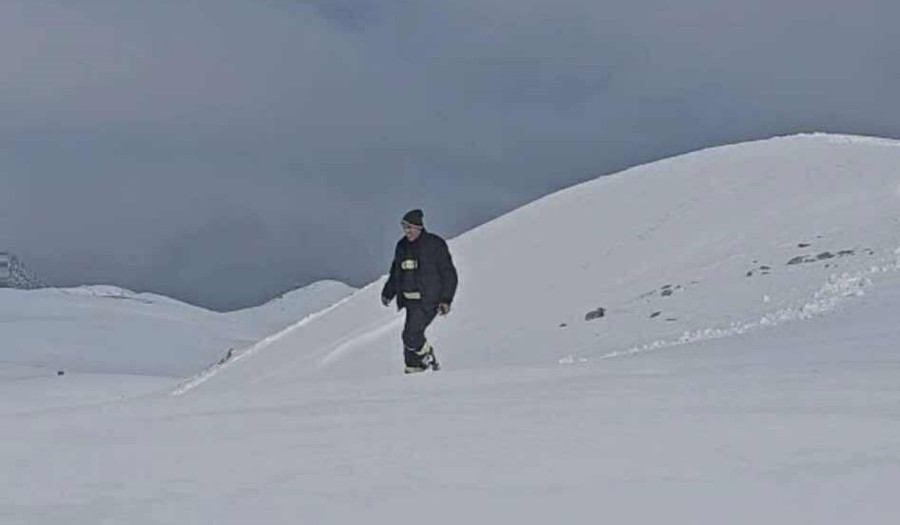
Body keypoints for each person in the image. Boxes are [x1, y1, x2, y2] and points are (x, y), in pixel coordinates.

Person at [381, 209, 458, 373]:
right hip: (410, 301)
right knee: (409, 340)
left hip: (429, 300)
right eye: (404, 227)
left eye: (410, 227)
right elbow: (396, 272)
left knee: (410, 335)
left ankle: (427, 355)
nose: (407, 231)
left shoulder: (435, 244)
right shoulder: (401, 246)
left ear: (419, 227)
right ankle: (414, 371)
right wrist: (388, 292)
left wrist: (446, 300)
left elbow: (449, 273)